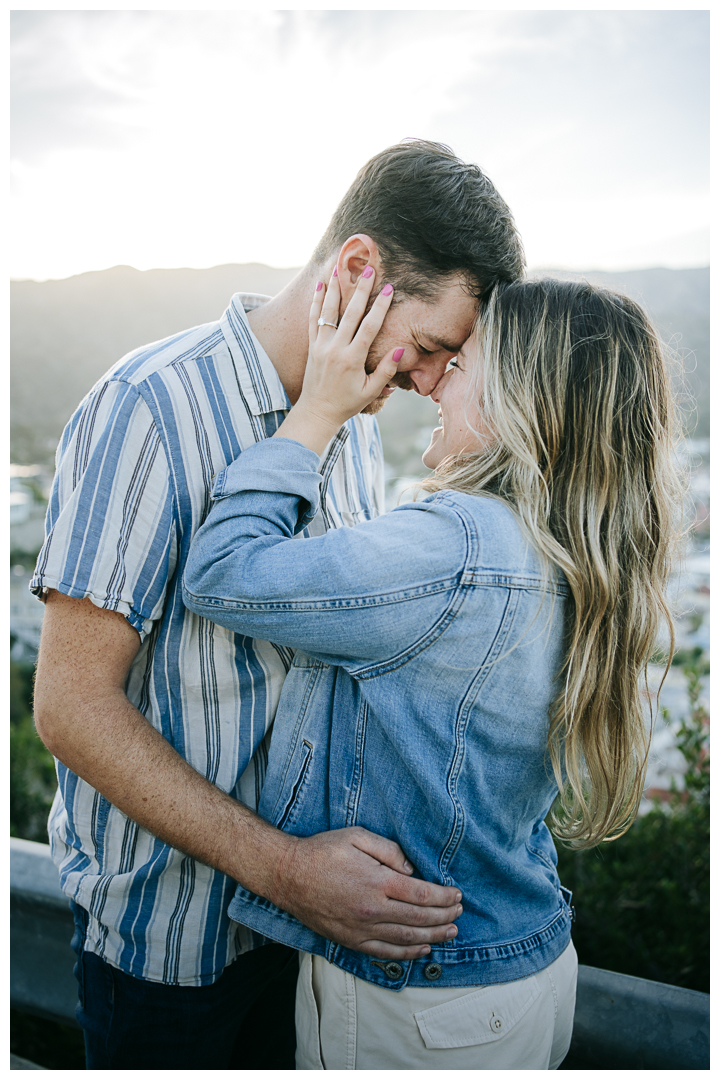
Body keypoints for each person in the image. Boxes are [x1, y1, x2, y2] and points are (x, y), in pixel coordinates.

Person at [30, 139, 525, 1070]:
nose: (424, 382)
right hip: (173, 953)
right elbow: (70, 707)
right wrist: (290, 874)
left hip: (310, 945)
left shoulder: (353, 433)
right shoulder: (151, 407)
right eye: (425, 347)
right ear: (357, 269)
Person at [182, 270, 684, 1069]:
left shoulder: (456, 546)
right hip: (525, 965)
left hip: (418, 997)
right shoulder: (570, 546)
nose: (435, 383)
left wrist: (314, 412)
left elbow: (222, 572)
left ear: (522, 394)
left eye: (463, 361)